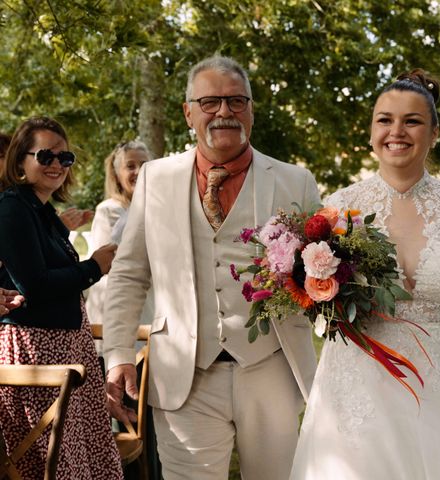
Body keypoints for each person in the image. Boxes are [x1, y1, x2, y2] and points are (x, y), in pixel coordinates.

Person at [290, 70, 440, 480]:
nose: (396, 131)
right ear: (370, 131)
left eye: (412, 121)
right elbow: (314, 302)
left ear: (433, 133)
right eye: (385, 119)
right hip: (361, 393)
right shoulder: (336, 210)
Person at [102, 55, 321, 480]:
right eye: (210, 102)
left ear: (251, 110)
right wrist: (118, 354)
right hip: (185, 373)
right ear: (188, 112)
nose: (224, 112)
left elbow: (320, 273)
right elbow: (129, 272)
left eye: (237, 101)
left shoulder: (296, 182)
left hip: (272, 365)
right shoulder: (155, 178)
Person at [0, 116, 122, 478]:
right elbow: (34, 285)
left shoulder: (41, 210)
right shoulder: (12, 208)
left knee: (82, 459)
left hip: (67, 347)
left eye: (64, 158)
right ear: (21, 161)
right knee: (51, 463)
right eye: (46, 156)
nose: (56, 165)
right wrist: (93, 268)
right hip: (37, 350)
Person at [86, 140, 154, 331]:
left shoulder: (158, 209)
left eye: (144, 165)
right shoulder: (108, 211)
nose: (138, 171)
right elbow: (107, 263)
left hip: (149, 305)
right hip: (114, 307)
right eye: (130, 166)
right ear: (117, 175)